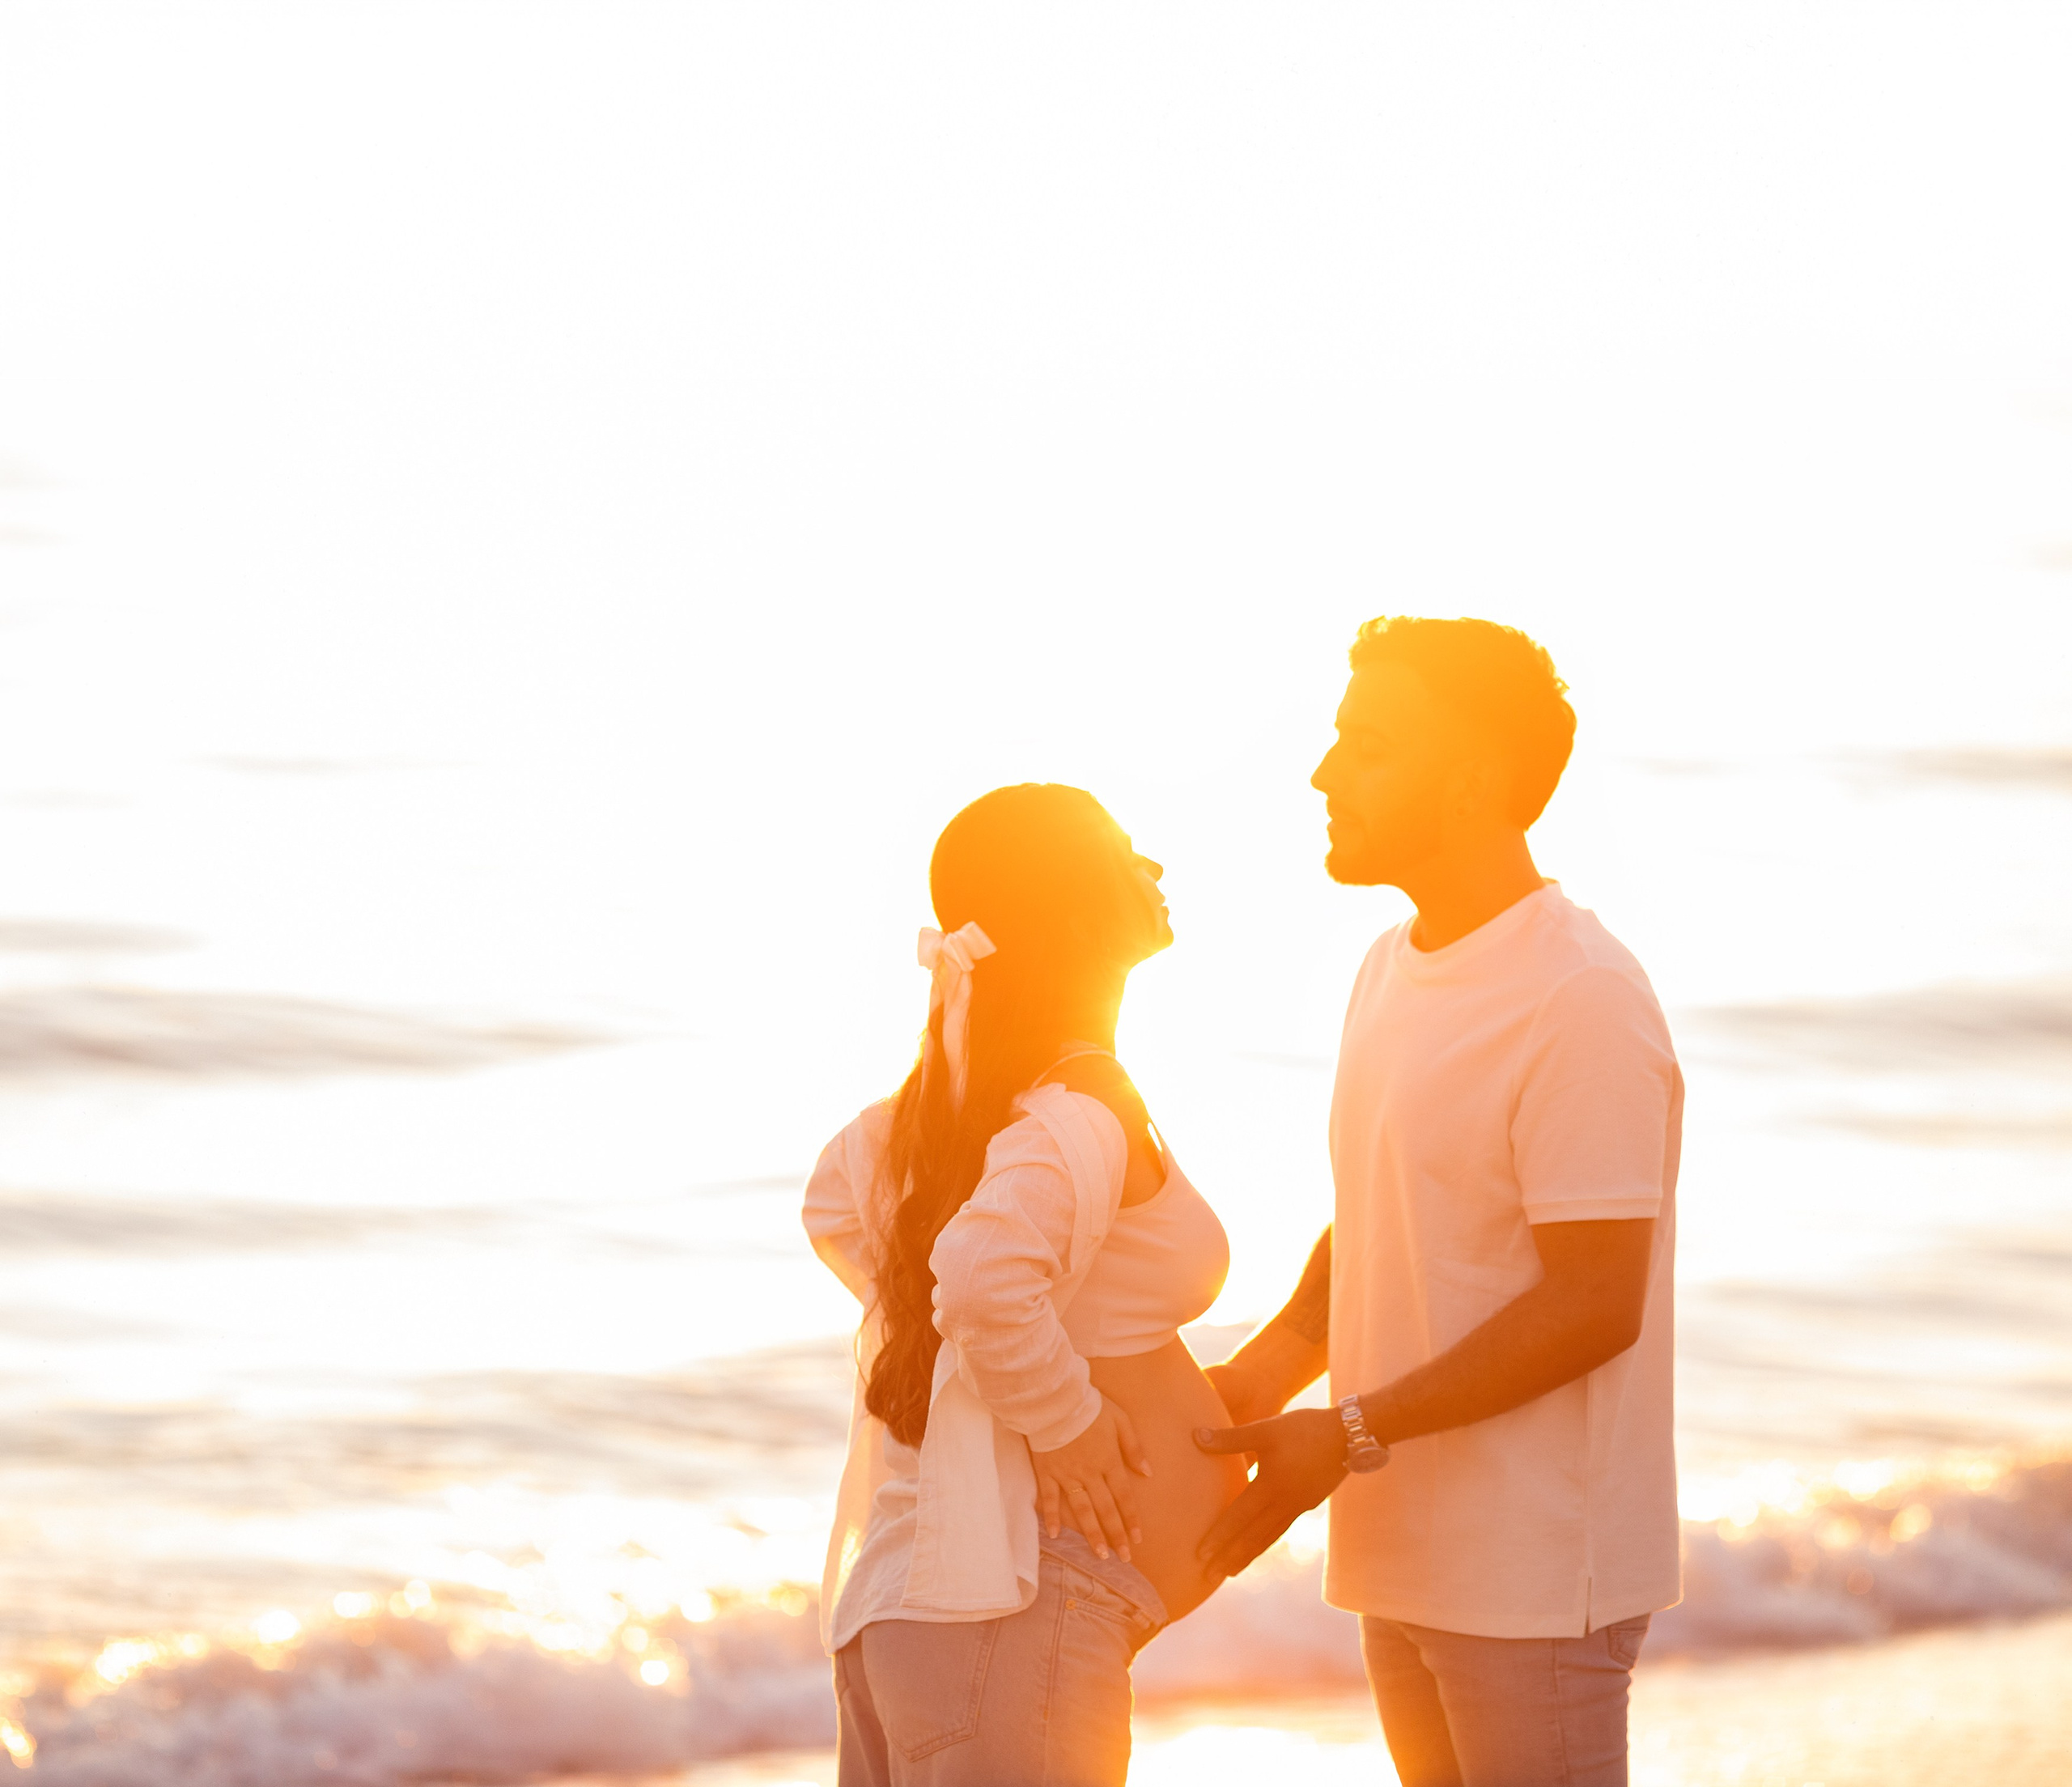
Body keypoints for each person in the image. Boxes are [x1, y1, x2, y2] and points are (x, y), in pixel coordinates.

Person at [1195, 616, 1683, 1787]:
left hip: (1533, 1576)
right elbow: (1384, 1216)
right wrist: (1264, 1375)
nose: (1324, 774)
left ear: (1470, 777)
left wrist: (1351, 1432)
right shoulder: (1387, 966)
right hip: (1403, 1551)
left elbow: (1594, 1302)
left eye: (1367, 746)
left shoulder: (1579, 997)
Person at [802, 783, 1246, 1787]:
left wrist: (971, 1361)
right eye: (1125, 851)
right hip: (1008, 1619)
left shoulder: (950, 1117)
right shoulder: (1076, 1108)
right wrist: (1062, 1420)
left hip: (929, 1620)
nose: (1154, 867)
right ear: (1074, 909)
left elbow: (837, 1204)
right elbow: (979, 1279)